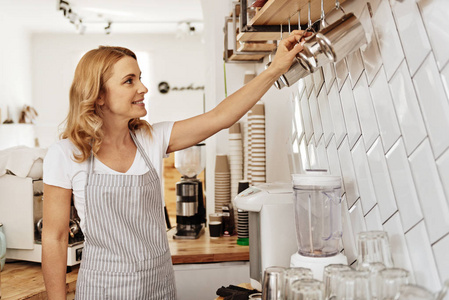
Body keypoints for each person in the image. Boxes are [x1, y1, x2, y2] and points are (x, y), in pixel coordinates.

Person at [42, 29, 307, 300]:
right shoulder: (66, 154)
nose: (143, 88)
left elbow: (221, 117)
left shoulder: (151, 139)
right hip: (103, 288)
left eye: (140, 79)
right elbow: (55, 238)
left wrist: (275, 68)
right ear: (98, 95)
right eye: (129, 81)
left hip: (158, 285)